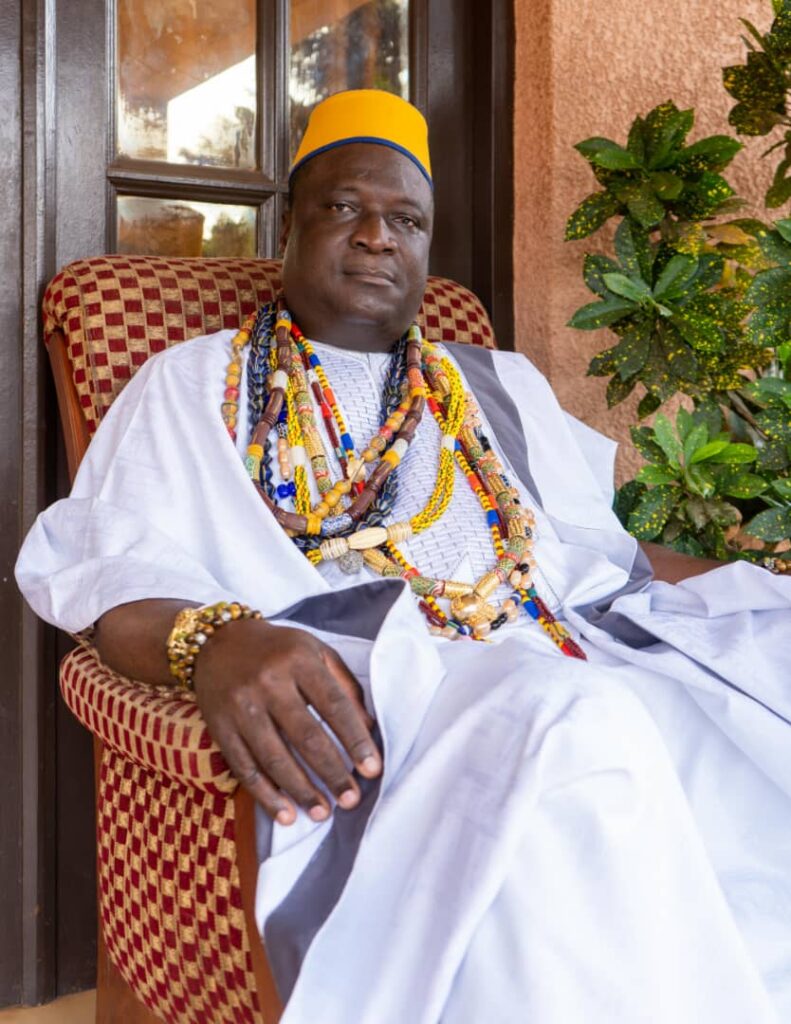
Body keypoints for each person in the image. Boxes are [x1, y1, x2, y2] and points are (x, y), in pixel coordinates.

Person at [15, 90, 791, 1023]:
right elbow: (108, 567)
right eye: (344, 206)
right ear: (291, 227)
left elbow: (599, 556)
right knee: (581, 716)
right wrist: (213, 641)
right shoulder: (195, 380)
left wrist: (761, 589)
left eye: (407, 220)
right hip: (391, 681)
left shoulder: (495, 386)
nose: (378, 236)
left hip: (561, 642)